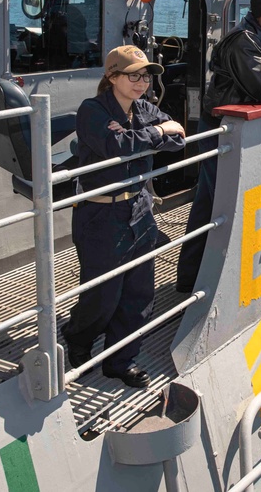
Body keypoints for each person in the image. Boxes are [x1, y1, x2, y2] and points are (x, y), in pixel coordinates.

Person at [63, 45, 186, 387]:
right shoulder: (92, 111)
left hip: (139, 209)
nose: (142, 82)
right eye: (133, 75)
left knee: (138, 294)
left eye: (145, 76)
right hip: (102, 213)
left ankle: (121, 360)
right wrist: (158, 134)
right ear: (112, 77)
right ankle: (78, 339)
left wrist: (150, 136)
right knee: (102, 295)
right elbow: (118, 147)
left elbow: (178, 140)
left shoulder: (142, 108)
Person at [175, 0, 261, 293]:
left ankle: (200, 277)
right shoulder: (241, 42)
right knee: (213, 203)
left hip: (238, 133)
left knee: (217, 202)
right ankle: (190, 279)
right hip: (220, 131)